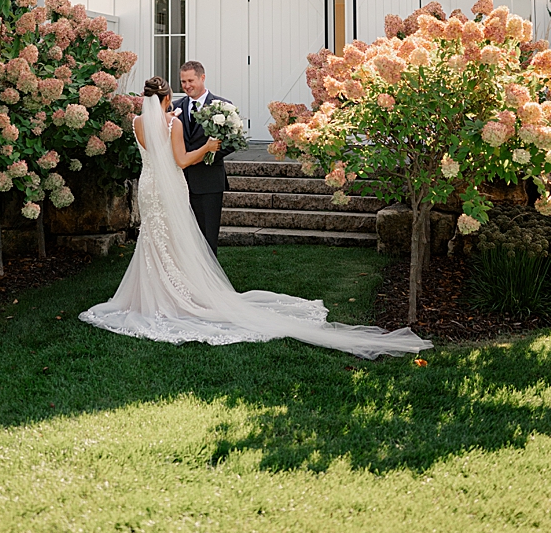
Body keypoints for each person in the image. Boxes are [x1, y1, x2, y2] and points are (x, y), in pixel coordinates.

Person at [78, 76, 431, 359]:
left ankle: (153, 296)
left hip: (149, 186)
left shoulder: (137, 122)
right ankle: (181, 295)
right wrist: (208, 147)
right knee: (177, 237)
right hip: (170, 185)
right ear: (168, 98)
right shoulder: (172, 123)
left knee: (155, 238)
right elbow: (182, 161)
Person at [171, 60, 232, 253]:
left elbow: (230, 143)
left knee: (207, 237)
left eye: (190, 81)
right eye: (183, 81)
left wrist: (202, 157)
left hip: (208, 182)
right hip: (180, 182)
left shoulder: (222, 106)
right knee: (182, 236)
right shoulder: (174, 107)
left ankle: (209, 273)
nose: (186, 86)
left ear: (202, 78)